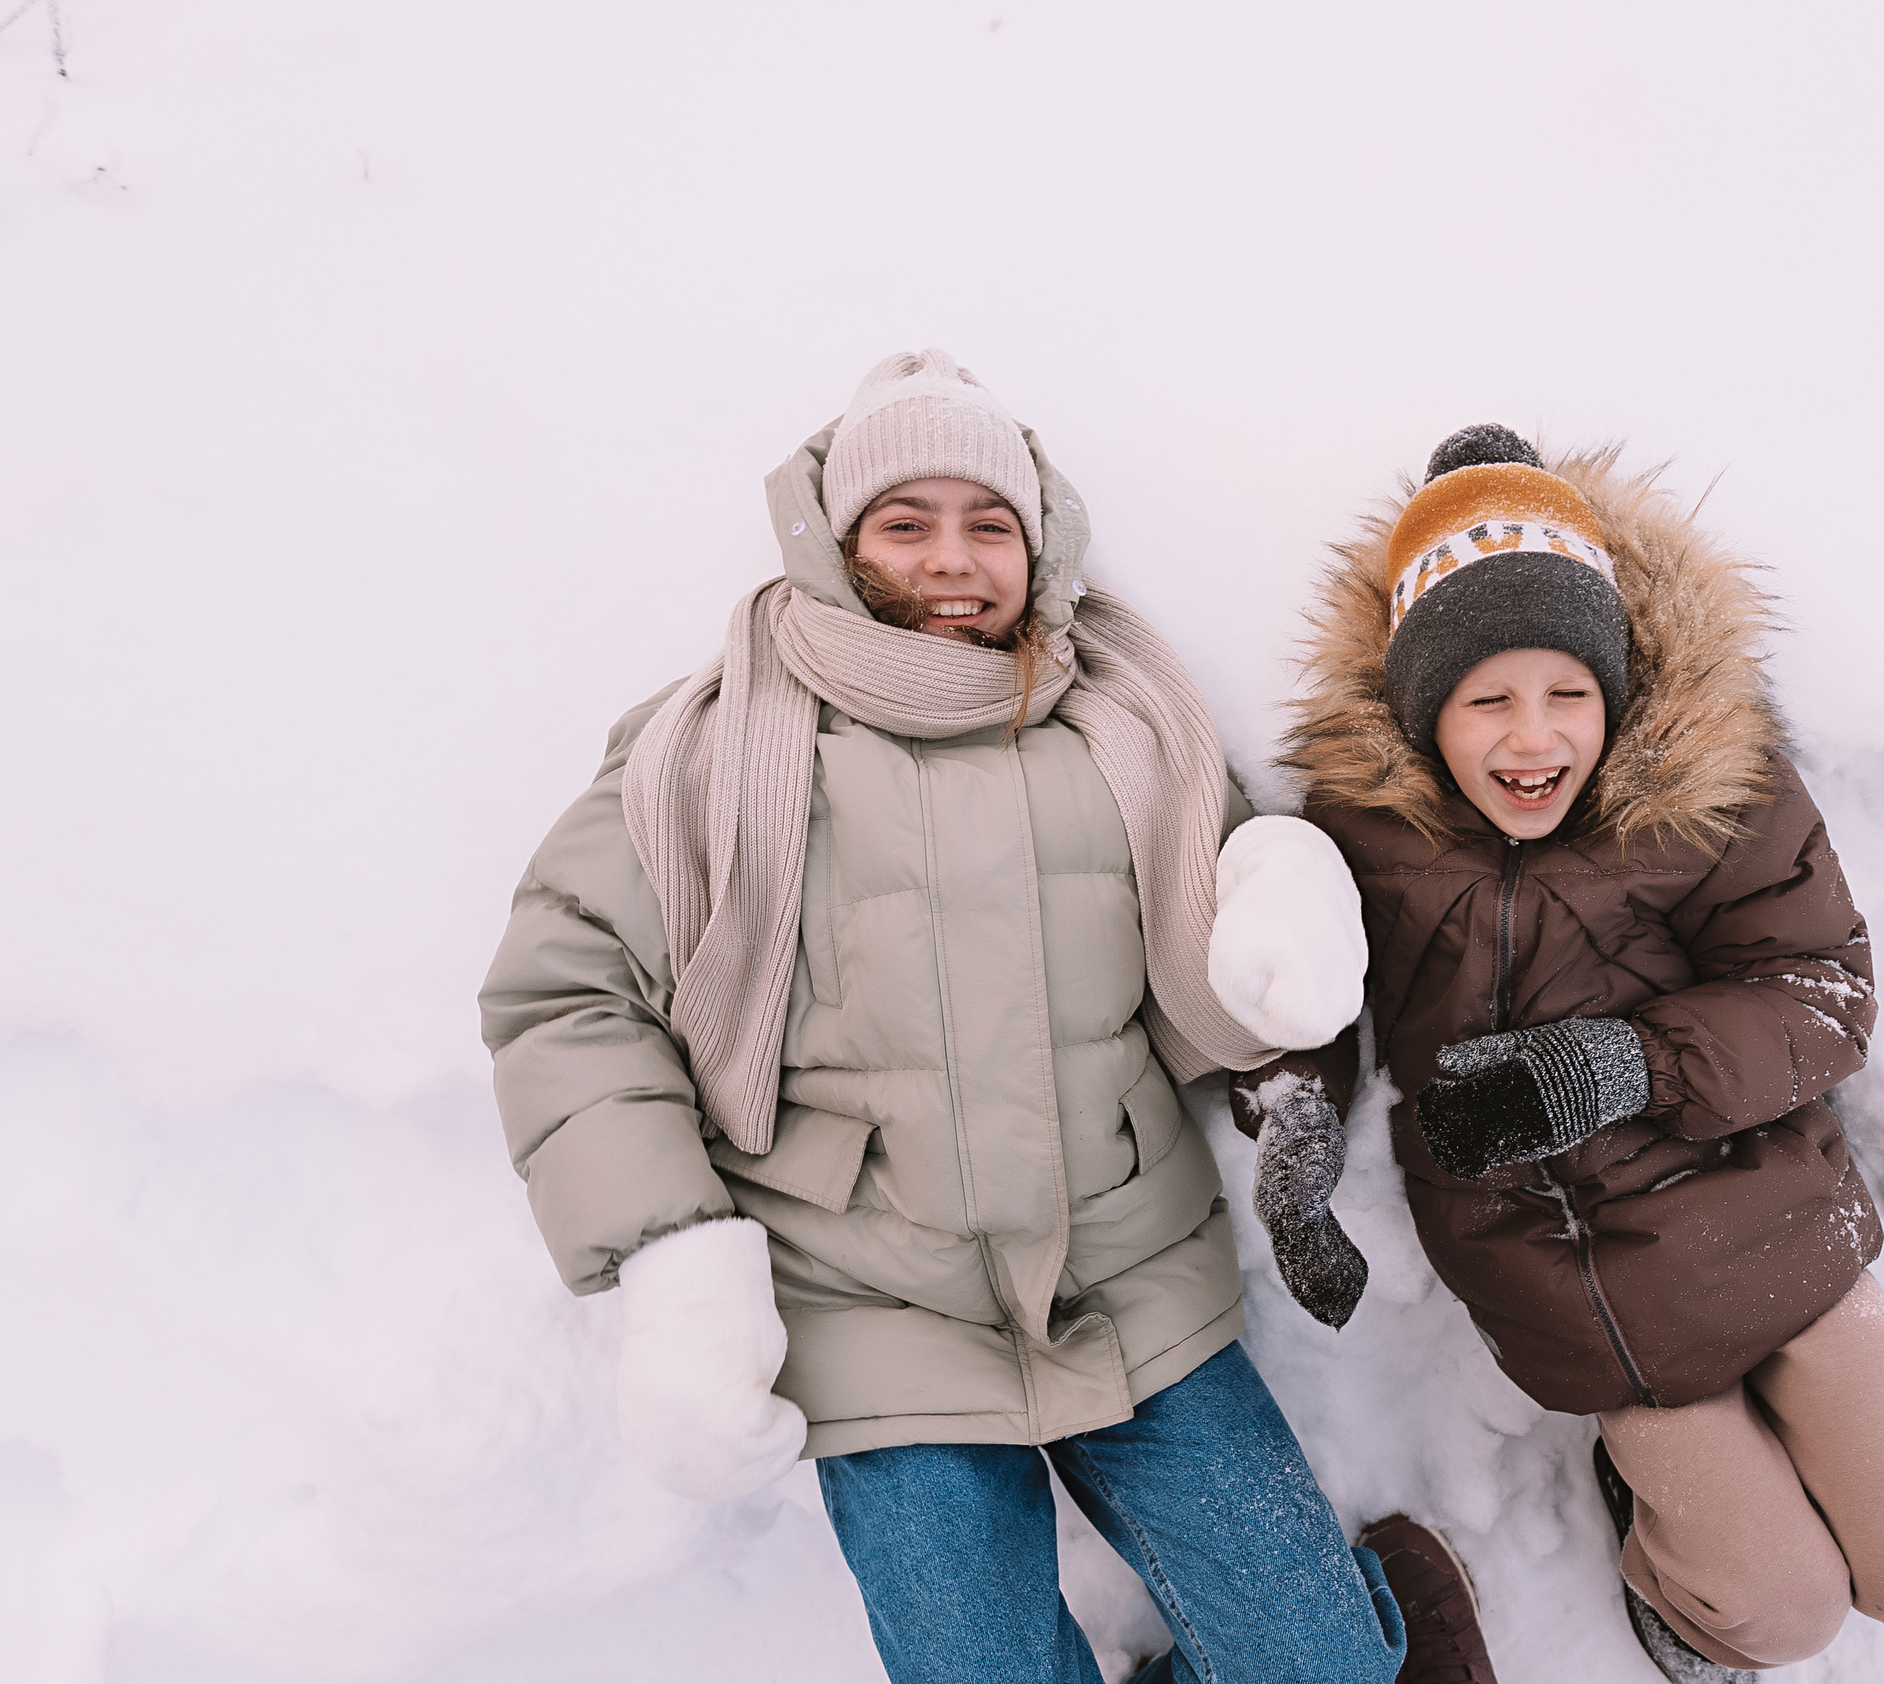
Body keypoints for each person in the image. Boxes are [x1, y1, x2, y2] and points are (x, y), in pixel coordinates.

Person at [479, 350, 1403, 1684]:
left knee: (1322, 1669)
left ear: (1041, 545)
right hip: (871, 1305)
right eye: (905, 524)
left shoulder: (1125, 722)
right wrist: (677, 1262)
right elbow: (565, 990)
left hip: (1130, 1270)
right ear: (836, 543)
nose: (953, 561)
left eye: (990, 525)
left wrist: (1285, 900)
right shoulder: (717, 746)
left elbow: (1233, 891)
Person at [1232, 425, 1884, 1681]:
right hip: (1567, 1278)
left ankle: (1879, 1454)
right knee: (1778, 1618)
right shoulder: (1367, 829)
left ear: (1615, 686)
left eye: (1568, 694)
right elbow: (1310, 994)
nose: (1532, 740)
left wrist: (1625, 1065)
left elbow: (1821, 991)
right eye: (1486, 701)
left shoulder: (1714, 793)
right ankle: (1665, 1513)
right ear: (1421, 710)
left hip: (1766, 1223)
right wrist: (1294, 1114)